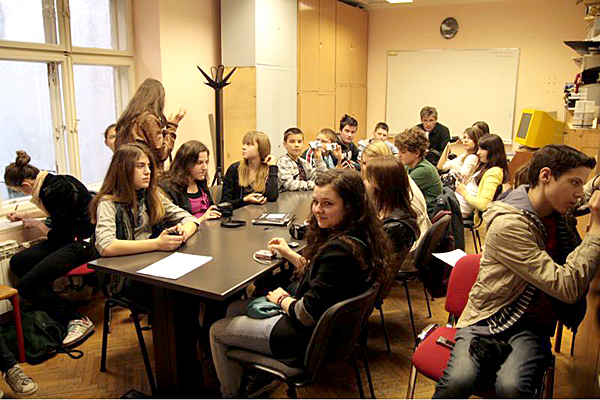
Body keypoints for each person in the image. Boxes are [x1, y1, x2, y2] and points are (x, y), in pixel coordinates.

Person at [209, 169, 394, 398]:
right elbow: (324, 277)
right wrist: (288, 253)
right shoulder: (359, 238)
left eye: (327, 204)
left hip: (302, 338)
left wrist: (282, 299)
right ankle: (256, 378)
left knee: (216, 330)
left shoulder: (339, 252)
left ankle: (231, 394)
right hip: (327, 333)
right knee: (232, 309)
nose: (317, 210)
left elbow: (306, 314)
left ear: (349, 207)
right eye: (315, 202)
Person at [434, 144, 600, 398]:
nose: (579, 193)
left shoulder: (550, 208)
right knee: (458, 381)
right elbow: (566, 287)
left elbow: (583, 193)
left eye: (582, 183)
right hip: (487, 318)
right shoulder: (509, 224)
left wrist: (593, 184)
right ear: (545, 176)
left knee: (511, 387)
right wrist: (596, 231)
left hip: (531, 325)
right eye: (575, 183)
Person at [5, 151, 96, 347]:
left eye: (20, 191)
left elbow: (60, 236)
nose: (24, 195)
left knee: (26, 286)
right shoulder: (55, 183)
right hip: (70, 238)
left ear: (26, 185)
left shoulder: (53, 192)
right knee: (18, 262)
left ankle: (76, 318)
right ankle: (51, 305)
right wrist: (26, 217)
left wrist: (37, 225)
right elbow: (60, 218)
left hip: (83, 244)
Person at [90, 143, 199, 257]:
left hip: (150, 258)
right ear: (123, 170)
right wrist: (157, 244)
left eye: (149, 166)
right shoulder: (108, 203)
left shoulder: (152, 195)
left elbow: (189, 219)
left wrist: (183, 232)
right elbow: (106, 246)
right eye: (140, 166)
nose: (148, 171)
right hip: (123, 264)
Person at [363, 155, 419, 284]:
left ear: (379, 185)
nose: (365, 183)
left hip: (366, 284)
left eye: (368, 179)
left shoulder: (395, 227)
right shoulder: (390, 213)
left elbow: (366, 261)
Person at [114, 78, 186, 169]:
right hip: (147, 172)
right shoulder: (148, 119)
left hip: (129, 171)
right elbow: (161, 153)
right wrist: (172, 127)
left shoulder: (127, 119)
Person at [159, 140, 222, 223]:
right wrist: (201, 219)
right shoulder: (169, 187)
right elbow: (172, 223)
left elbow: (210, 208)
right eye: (199, 163)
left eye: (206, 162)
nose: (205, 167)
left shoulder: (200, 182)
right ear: (186, 163)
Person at [455, 133, 509, 219]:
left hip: (459, 209)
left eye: (482, 149)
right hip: (457, 203)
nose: (478, 152)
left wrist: (464, 193)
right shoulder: (485, 166)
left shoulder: (494, 173)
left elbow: (483, 205)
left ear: (493, 151)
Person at [221, 131, 279, 209]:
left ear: (261, 148)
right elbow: (224, 203)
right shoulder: (234, 169)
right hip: (239, 214)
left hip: (261, 212)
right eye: (244, 144)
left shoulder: (269, 169)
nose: (243, 147)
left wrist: (272, 166)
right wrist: (245, 200)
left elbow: (272, 197)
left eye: (249, 144)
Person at [395, 126, 443, 216]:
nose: (399, 155)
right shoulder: (408, 166)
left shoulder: (424, 170)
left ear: (417, 153)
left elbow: (397, 191)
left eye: (403, 152)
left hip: (426, 216)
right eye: (399, 151)